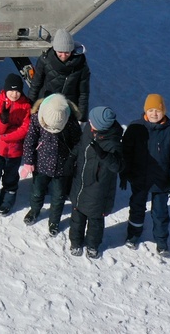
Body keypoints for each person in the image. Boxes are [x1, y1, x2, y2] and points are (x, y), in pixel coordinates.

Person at [122, 94, 170, 257]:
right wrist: (124, 172)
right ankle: (133, 236)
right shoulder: (135, 128)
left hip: (161, 181)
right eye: (150, 110)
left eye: (157, 110)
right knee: (136, 208)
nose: (154, 114)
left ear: (163, 111)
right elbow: (126, 152)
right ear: (145, 111)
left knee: (160, 212)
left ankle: (162, 241)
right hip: (139, 178)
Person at [20, 94, 83, 237]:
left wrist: (72, 160)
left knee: (58, 196)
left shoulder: (70, 121)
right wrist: (28, 161)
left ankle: (54, 221)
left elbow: (78, 143)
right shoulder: (37, 118)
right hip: (40, 164)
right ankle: (35, 210)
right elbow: (30, 140)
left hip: (62, 167)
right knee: (37, 192)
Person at [69, 106, 123, 259]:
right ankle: (75, 242)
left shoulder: (113, 143)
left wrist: (104, 155)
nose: (89, 122)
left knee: (95, 221)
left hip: (98, 189)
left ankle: (93, 245)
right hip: (80, 182)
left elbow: (118, 166)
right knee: (77, 218)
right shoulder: (89, 130)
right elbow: (81, 145)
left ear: (101, 126)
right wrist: (72, 157)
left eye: (92, 121)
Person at [0, 73, 32, 215]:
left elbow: (24, 129)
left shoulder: (26, 105)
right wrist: (3, 121)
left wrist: (5, 136)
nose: (14, 94)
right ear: (5, 89)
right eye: (11, 90)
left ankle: (6, 203)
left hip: (15, 151)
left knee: (10, 178)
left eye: (17, 91)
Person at [30, 27, 91, 122]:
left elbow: (83, 93)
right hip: (45, 106)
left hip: (67, 110)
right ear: (55, 49)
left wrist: (82, 118)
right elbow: (36, 84)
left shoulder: (81, 65)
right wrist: (31, 107)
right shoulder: (45, 60)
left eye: (67, 52)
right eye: (60, 52)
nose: (63, 55)